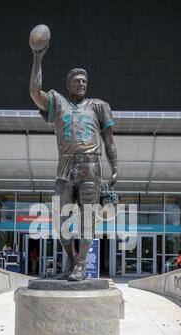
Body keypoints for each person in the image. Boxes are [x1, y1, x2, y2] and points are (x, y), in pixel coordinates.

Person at [29, 42, 118, 281]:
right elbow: (35, 93)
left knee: (88, 217)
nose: (81, 83)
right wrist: (38, 58)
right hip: (65, 165)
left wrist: (115, 168)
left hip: (91, 165)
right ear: (68, 84)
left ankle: (81, 265)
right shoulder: (58, 103)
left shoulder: (99, 106)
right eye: (76, 80)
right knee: (61, 221)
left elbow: (109, 141)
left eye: (84, 80)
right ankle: (69, 258)